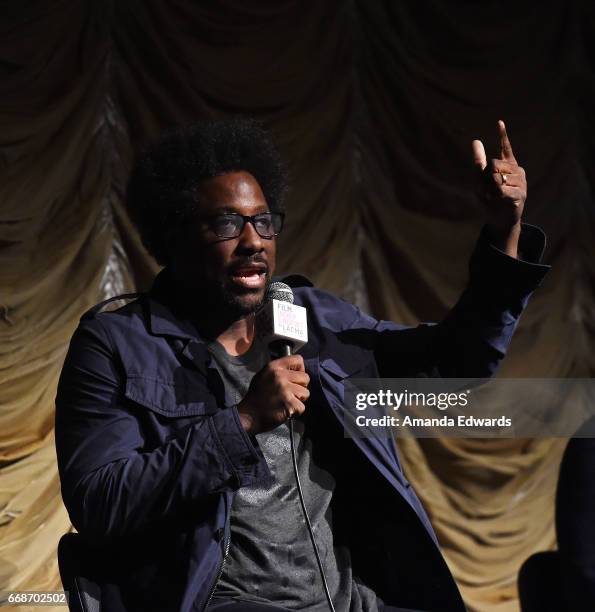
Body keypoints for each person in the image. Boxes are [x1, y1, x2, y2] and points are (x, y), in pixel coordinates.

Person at [55, 118, 550, 612]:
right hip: (216, 600)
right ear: (175, 236)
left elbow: (457, 362)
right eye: (226, 224)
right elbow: (101, 502)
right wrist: (242, 421)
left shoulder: (311, 319)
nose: (254, 241)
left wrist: (504, 231)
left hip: (347, 600)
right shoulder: (117, 344)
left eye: (264, 221)